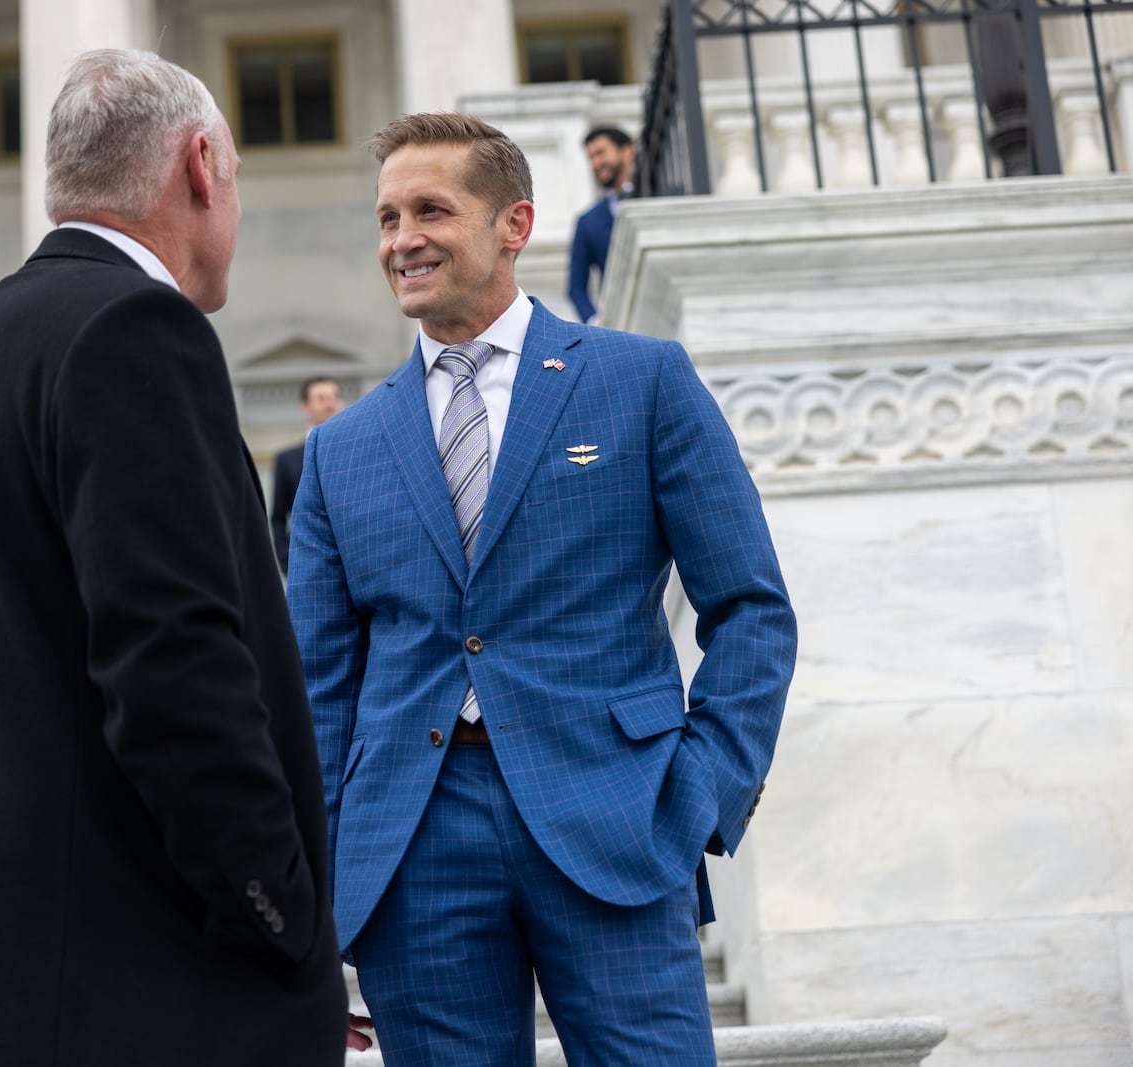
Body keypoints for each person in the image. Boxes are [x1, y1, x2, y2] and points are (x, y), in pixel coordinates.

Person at [0, 49, 349, 1067]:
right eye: (238, 178)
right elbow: (176, 665)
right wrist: (279, 914)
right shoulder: (133, 329)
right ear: (201, 168)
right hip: (123, 985)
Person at [287, 112, 798, 1066]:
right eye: (388, 217)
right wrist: (320, 890)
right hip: (411, 850)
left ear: (513, 223)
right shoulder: (336, 450)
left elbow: (750, 607)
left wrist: (700, 792)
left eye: (431, 210)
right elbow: (316, 689)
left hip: (620, 815)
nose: (402, 240)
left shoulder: (642, 381)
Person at [270, 376, 344, 574]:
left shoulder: (358, 451)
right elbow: (278, 516)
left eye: (334, 397)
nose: (330, 404)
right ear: (306, 407)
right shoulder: (287, 459)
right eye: (321, 398)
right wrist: (286, 560)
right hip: (307, 566)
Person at [567, 126, 636, 325]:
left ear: (627, 151)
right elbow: (576, 288)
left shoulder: (657, 197)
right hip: (620, 325)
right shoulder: (587, 222)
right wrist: (596, 322)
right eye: (591, 157)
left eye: (601, 153)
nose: (595, 163)